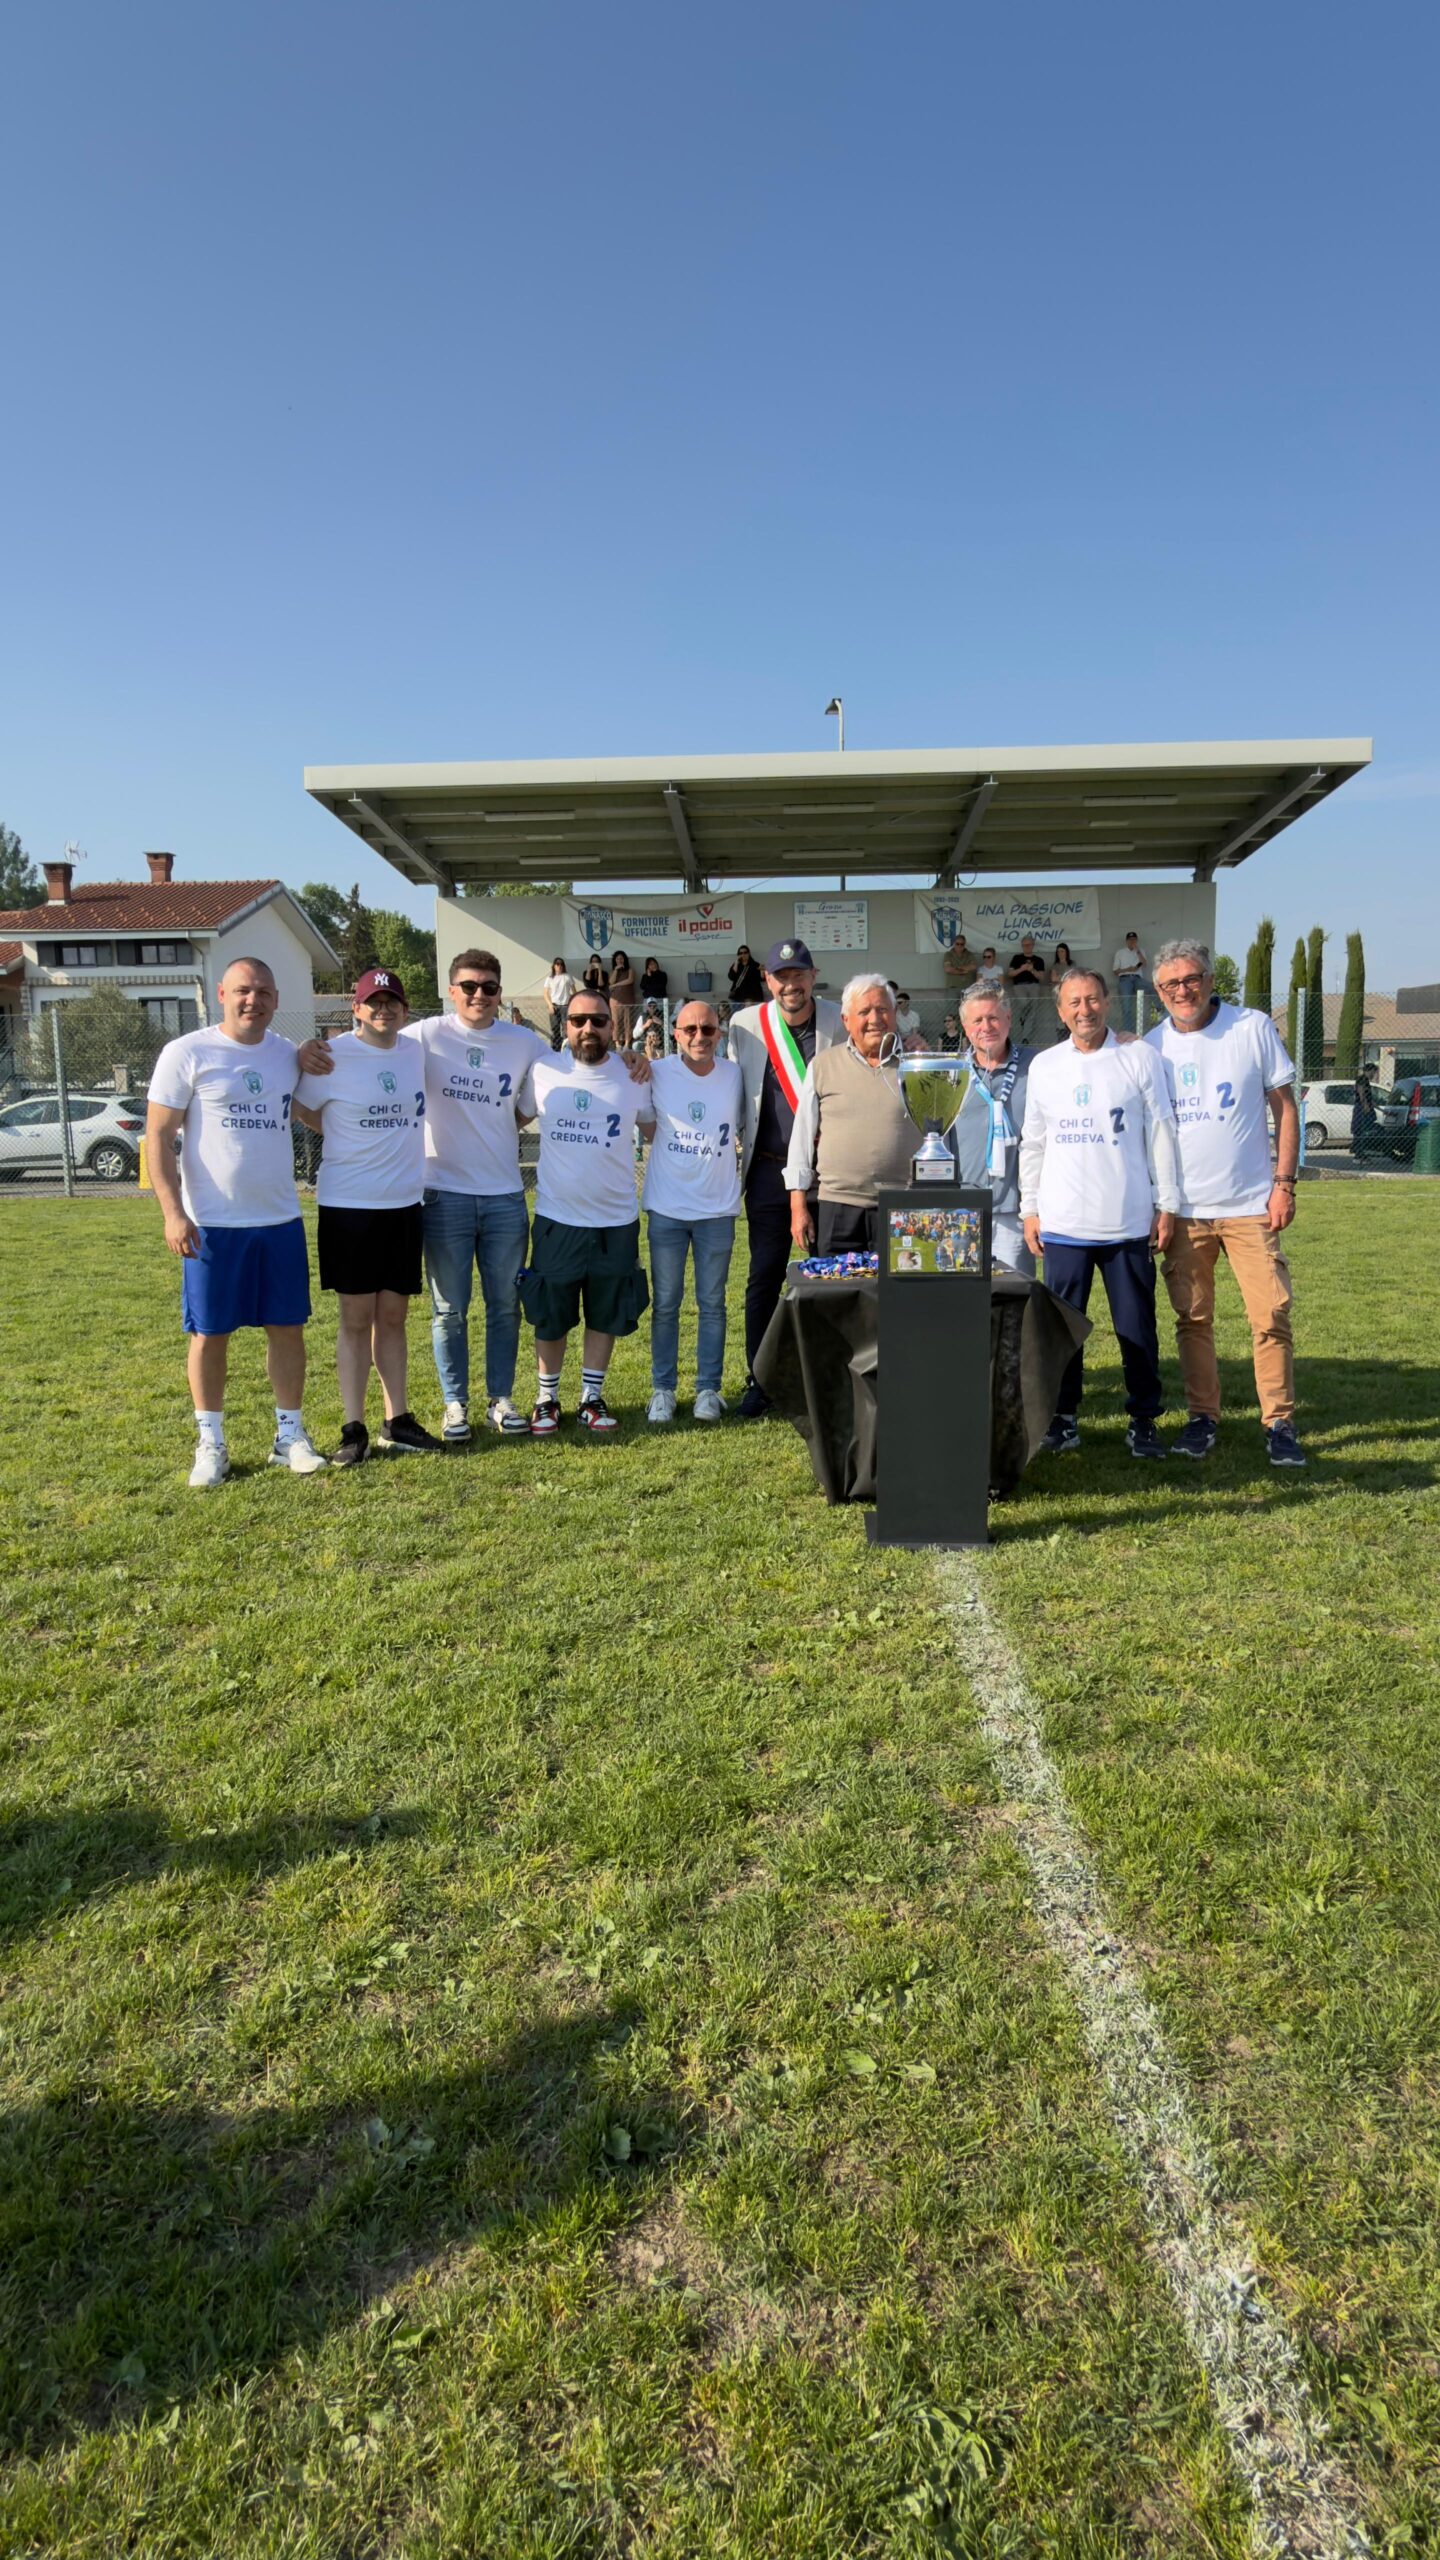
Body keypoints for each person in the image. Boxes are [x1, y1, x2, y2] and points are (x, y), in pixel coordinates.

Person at [145, 955, 327, 1487]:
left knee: (287, 1329)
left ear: (276, 1000)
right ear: (221, 993)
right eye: (244, 990)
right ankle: (212, 1443)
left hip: (279, 1219)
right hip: (211, 1225)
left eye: (264, 992)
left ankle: (289, 1437)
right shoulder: (187, 1052)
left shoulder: (288, 1055)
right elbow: (158, 1137)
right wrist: (173, 1213)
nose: (254, 1000)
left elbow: (316, 1111)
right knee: (209, 1333)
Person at [1144, 938, 1305, 1467]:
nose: (1182, 991)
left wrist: (1284, 1183)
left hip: (1250, 1205)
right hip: (1185, 1212)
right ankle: (1202, 1417)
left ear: (1210, 980)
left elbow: (1285, 1108)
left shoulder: (1250, 1027)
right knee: (1193, 1319)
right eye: (1170, 984)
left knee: (1270, 1315)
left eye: (1191, 979)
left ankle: (1279, 1422)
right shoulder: (1151, 1047)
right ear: (1158, 992)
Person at [1019, 967, 1180, 1460]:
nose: (1084, 1010)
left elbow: (1161, 1131)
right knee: (1063, 1330)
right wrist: (1030, 1208)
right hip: (1064, 1225)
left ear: (1107, 1002)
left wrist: (1166, 1203)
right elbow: (1034, 1141)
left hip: (1126, 1222)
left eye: (1092, 999)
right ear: (1060, 1010)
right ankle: (1063, 1418)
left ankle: (1144, 1419)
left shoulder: (1139, 1057)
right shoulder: (1046, 1066)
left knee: (1136, 1328)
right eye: (1074, 1002)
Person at [295, 968, 443, 1465]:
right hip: (350, 1207)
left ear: (405, 1010)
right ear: (356, 1009)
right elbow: (303, 1108)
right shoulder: (333, 1056)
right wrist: (341, 1131)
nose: (383, 1009)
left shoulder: (414, 1051)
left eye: (392, 1001)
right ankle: (353, 1427)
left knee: (394, 1317)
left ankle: (396, 1420)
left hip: (403, 1205)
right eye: (373, 1002)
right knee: (357, 1318)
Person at [411, 947, 549, 1443]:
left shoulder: (524, 1042)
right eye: (468, 986)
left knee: (505, 1305)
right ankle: (455, 1405)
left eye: (489, 988)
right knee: (449, 1309)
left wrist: (632, 1058)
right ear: (451, 990)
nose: (479, 995)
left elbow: (552, 1084)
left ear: (499, 992)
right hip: (443, 1193)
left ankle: (500, 1399)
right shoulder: (425, 1034)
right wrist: (308, 1051)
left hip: (504, 1196)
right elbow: (369, 1044)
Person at [513, 990, 655, 1435]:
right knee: (550, 1313)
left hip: (616, 1220)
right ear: (566, 1025)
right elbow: (511, 1120)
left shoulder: (633, 1075)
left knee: (605, 1311)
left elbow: (655, 1129)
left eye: (598, 1020)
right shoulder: (543, 1071)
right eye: (578, 1021)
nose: (588, 1029)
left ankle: (592, 1396)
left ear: (612, 1026)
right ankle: (546, 1399)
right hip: (558, 1219)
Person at [728, 938, 844, 1416]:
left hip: (828, 1173)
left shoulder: (841, 1017)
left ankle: (830, 1377)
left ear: (813, 976)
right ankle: (761, 1379)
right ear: (767, 980)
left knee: (831, 1275)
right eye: (781, 976)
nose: (790, 984)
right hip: (768, 1169)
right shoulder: (744, 1025)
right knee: (764, 1276)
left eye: (799, 974)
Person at [642, 999, 743, 1423]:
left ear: (719, 1033)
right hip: (667, 1208)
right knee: (666, 1303)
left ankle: (708, 1390)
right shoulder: (656, 1072)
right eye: (690, 1030)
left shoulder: (735, 1075)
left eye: (708, 1029)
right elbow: (646, 1124)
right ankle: (662, 1390)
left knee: (713, 1303)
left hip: (717, 1210)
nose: (700, 1036)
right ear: (676, 1034)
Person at [785, 975, 915, 1254]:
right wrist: (798, 1204)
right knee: (835, 1283)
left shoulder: (918, 1066)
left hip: (905, 1207)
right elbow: (802, 1138)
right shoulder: (822, 1065)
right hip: (837, 1207)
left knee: (904, 1284)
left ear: (894, 1014)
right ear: (846, 1020)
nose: (875, 1019)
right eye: (864, 1011)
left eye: (882, 1009)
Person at [948, 985, 1037, 1275]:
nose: (986, 1027)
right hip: (962, 1209)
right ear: (965, 1027)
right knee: (963, 1293)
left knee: (1013, 1293)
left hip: (1015, 1210)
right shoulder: (950, 1074)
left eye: (993, 1018)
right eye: (977, 1020)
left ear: (1008, 1019)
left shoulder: (1038, 1066)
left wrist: (1124, 1040)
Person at [1006, 936, 1047, 1045]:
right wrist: (1022, 969)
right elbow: (1010, 974)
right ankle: (1022, 1017)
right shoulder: (1016, 958)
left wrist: (1032, 970)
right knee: (1024, 1002)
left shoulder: (1039, 960)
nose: (1027, 947)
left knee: (1033, 1011)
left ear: (1033, 945)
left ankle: (1025, 1037)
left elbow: (1042, 977)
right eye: (1024, 945)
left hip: (1034, 985)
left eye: (1029, 945)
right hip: (1019, 986)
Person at [542, 957, 575, 1048]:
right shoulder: (550, 978)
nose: (559, 966)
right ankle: (555, 1049)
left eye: (561, 964)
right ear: (554, 966)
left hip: (566, 1006)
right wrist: (550, 1005)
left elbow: (574, 992)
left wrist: (572, 1004)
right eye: (557, 964)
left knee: (566, 1030)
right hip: (554, 1006)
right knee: (555, 1030)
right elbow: (545, 993)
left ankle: (566, 1049)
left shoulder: (567, 977)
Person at [608, 948, 637, 1047]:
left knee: (627, 1021)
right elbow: (611, 982)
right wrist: (616, 970)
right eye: (617, 959)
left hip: (627, 1000)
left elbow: (630, 980)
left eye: (621, 958)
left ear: (625, 959)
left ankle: (627, 1043)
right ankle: (617, 1043)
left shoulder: (630, 970)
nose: (619, 960)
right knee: (616, 1021)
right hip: (615, 1001)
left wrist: (616, 985)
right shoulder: (613, 971)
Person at [1351, 1070, 1379, 1159]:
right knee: (1360, 1129)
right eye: (1374, 1072)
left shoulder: (1366, 1081)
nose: (1374, 1075)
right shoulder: (1362, 1079)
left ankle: (1360, 1151)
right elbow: (1361, 1093)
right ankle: (1358, 1153)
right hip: (1361, 1108)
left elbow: (1370, 1099)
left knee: (1365, 1130)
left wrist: (1380, 1109)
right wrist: (1365, 1105)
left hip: (1365, 1107)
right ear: (1370, 1070)